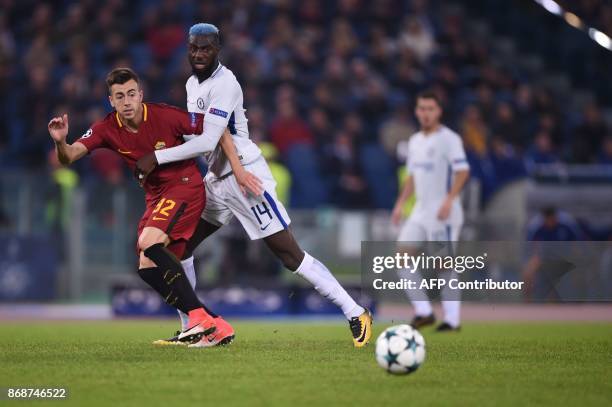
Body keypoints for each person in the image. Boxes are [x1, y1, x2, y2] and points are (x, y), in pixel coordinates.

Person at [136, 23, 372, 348]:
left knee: (290, 255)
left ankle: (355, 310)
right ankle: (196, 327)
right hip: (217, 179)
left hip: (245, 175)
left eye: (206, 48)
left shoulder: (226, 83)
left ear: (218, 49)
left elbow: (208, 138)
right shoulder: (193, 84)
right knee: (181, 247)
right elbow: (212, 133)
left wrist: (159, 157)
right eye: (194, 48)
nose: (199, 54)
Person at [47, 67, 250, 346]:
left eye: (131, 94)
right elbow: (69, 157)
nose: (127, 101)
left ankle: (199, 320)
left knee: (149, 242)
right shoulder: (106, 128)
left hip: (184, 185)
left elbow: (219, 128)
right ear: (111, 101)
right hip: (157, 198)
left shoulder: (165, 115)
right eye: (120, 96)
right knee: (146, 266)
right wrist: (60, 142)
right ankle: (213, 324)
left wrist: (237, 170)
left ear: (140, 94)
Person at [391, 91, 470, 332]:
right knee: (402, 256)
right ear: (416, 112)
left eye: (430, 109)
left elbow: (463, 171)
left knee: (443, 264)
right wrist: (400, 203)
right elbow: (413, 177)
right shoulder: (415, 141)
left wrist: (449, 200)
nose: (426, 113)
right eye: (422, 108)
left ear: (439, 112)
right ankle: (424, 311)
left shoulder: (449, 139)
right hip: (421, 210)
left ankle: (453, 320)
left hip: (443, 210)